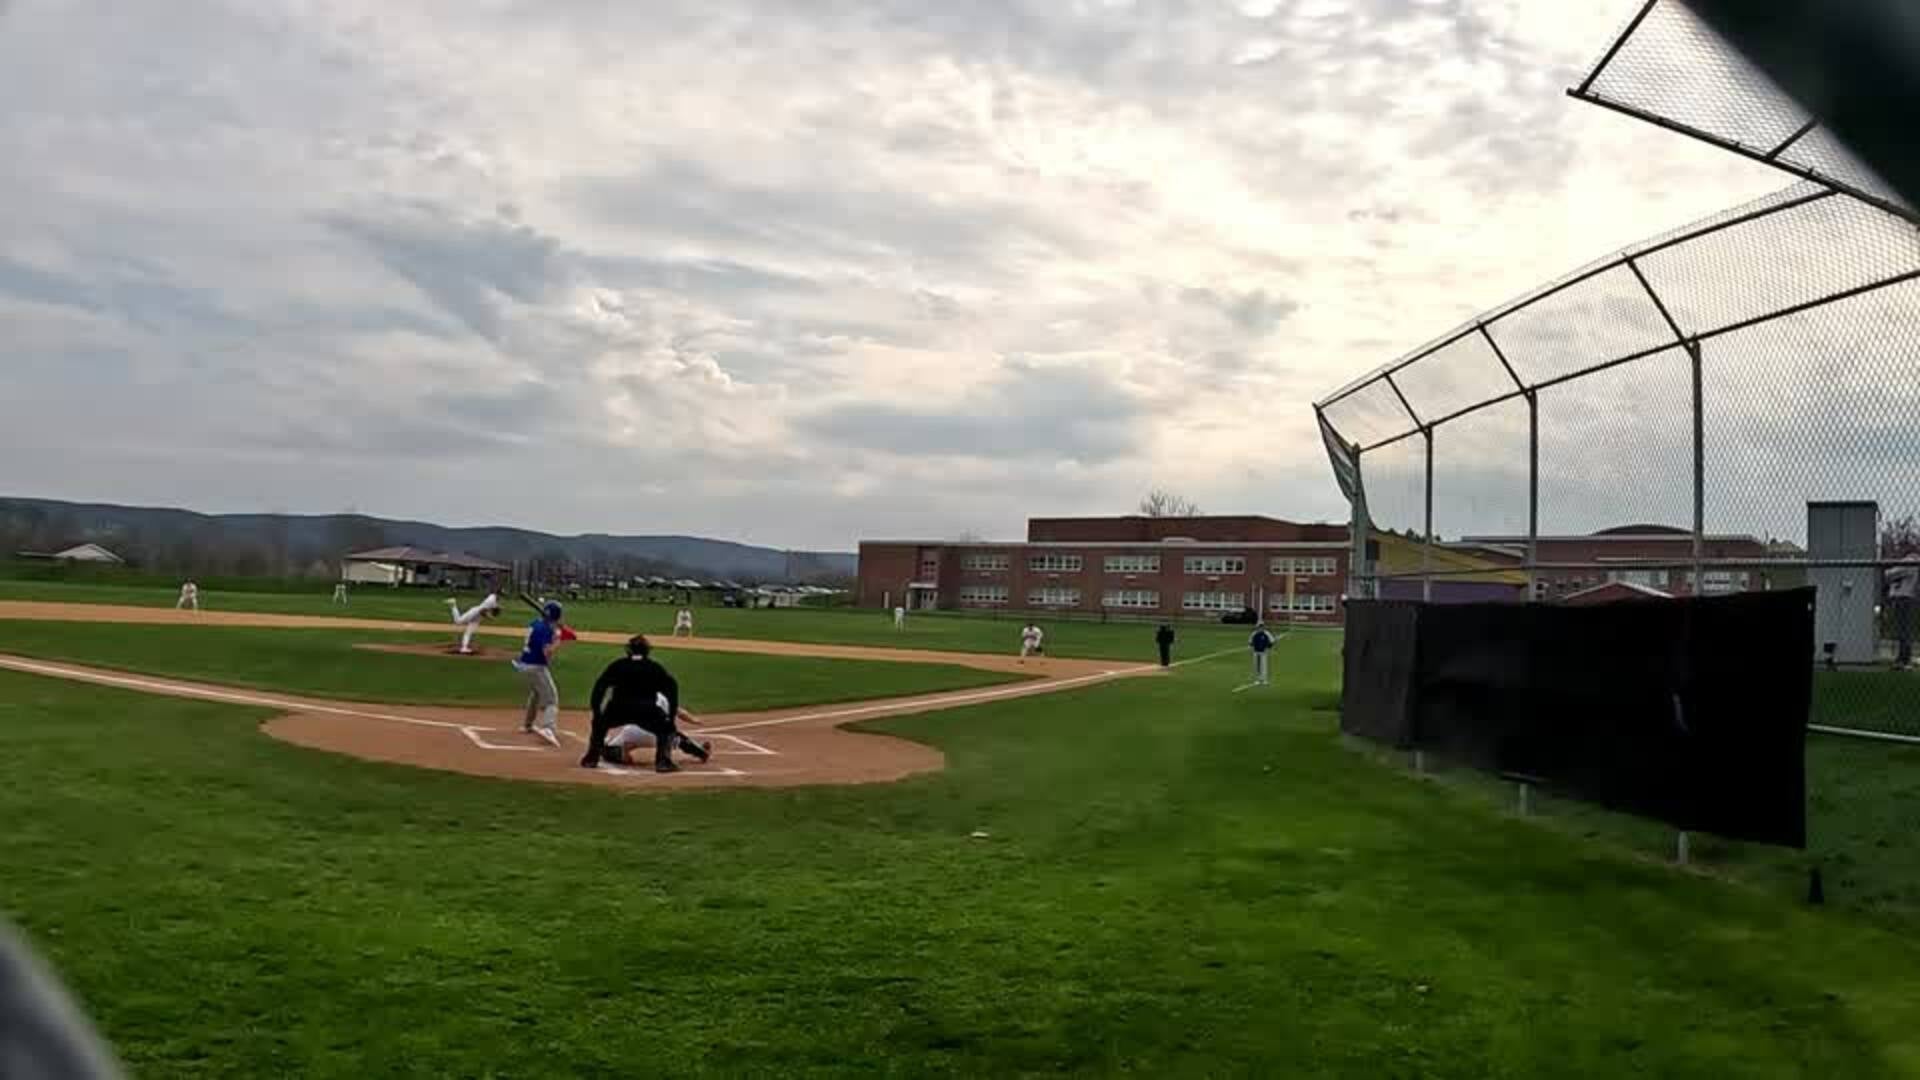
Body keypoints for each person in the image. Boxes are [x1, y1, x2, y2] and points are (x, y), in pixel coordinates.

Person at [582, 635, 710, 772]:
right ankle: (663, 762)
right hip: (646, 709)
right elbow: (672, 689)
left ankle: (591, 758)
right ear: (647, 651)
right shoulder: (654, 667)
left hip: (618, 707)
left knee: (599, 726)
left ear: (629, 650)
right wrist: (671, 718)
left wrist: (597, 711)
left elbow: (600, 687)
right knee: (666, 730)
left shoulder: (617, 665)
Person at [513, 602, 566, 747]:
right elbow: (547, 652)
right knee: (552, 700)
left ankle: (527, 725)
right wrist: (558, 640)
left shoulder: (536, 623)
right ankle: (548, 728)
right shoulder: (546, 630)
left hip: (524, 664)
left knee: (537, 693)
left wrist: (555, 632)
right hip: (535, 667)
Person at [1889, 556, 1919, 671]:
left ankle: (1905, 659)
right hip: (1900, 597)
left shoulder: (1910, 561)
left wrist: (1891, 572)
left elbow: (1891, 574)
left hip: (1904, 598)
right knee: (1901, 629)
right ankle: (1901, 658)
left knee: (1904, 629)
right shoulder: (1905, 561)